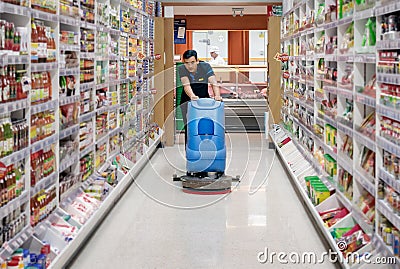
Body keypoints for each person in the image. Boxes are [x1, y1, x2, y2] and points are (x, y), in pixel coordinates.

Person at [178, 49, 222, 146]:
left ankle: (205, 147)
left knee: (204, 125)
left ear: (197, 61)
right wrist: (192, 96)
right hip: (187, 101)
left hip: (204, 102)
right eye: (187, 63)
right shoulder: (181, 69)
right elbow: (186, 85)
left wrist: (217, 96)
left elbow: (213, 82)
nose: (190, 66)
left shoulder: (205, 66)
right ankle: (190, 149)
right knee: (189, 127)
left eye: (192, 62)